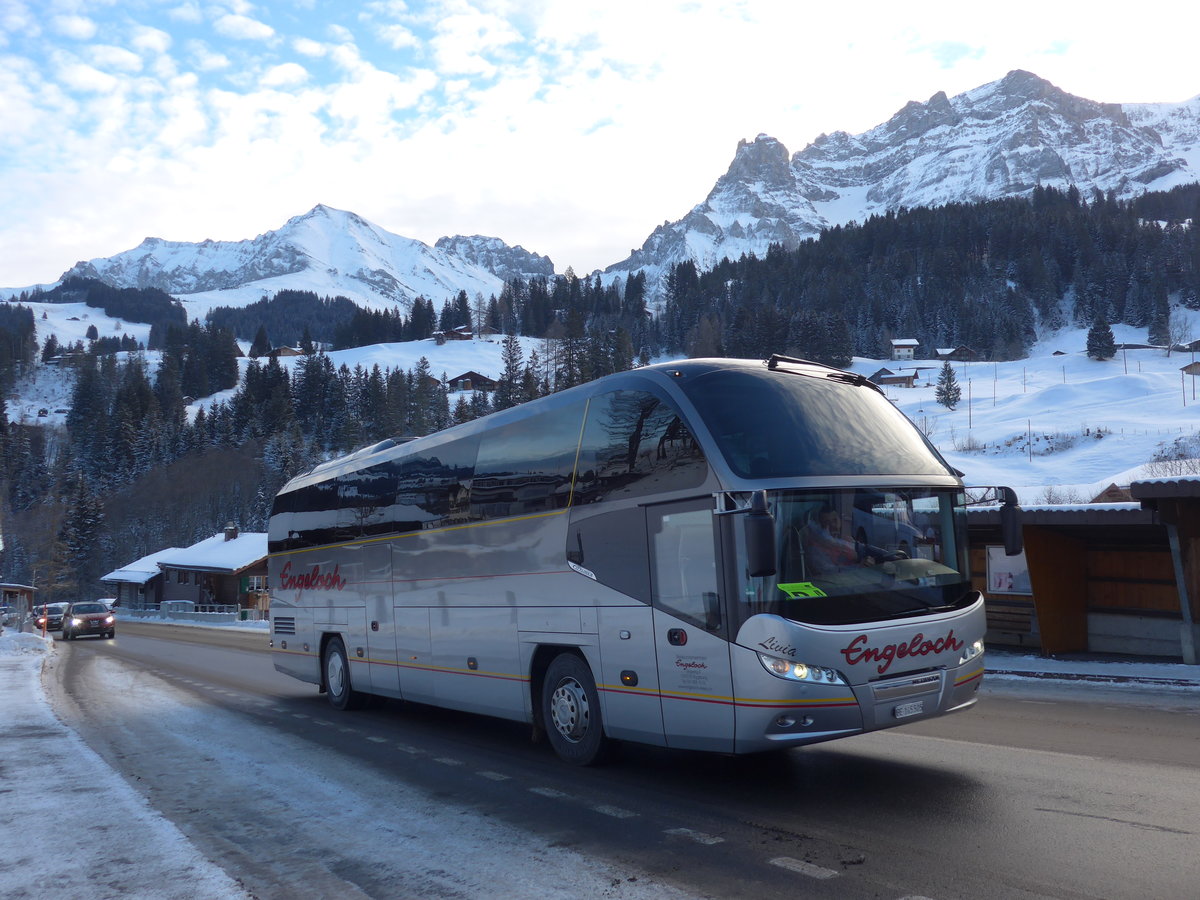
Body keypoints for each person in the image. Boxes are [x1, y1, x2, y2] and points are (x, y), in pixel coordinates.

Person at [803, 504, 878, 575]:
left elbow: (865, 550)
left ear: (840, 520)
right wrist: (858, 567)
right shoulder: (815, 550)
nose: (832, 525)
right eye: (827, 522)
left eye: (834, 520)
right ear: (820, 526)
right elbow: (829, 572)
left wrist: (869, 561)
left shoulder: (846, 540)